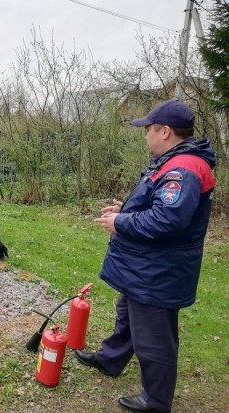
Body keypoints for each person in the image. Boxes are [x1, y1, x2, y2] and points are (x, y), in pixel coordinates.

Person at [75, 100, 216, 413]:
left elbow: (168, 220)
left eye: (149, 129)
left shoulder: (185, 168)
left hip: (160, 270)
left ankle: (156, 399)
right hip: (145, 264)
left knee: (154, 337)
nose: (146, 135)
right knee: (127, 313)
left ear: (165, 131)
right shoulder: (172, 160)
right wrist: (124, 210)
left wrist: (120, 223)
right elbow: (158, 207)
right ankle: (111, 360)